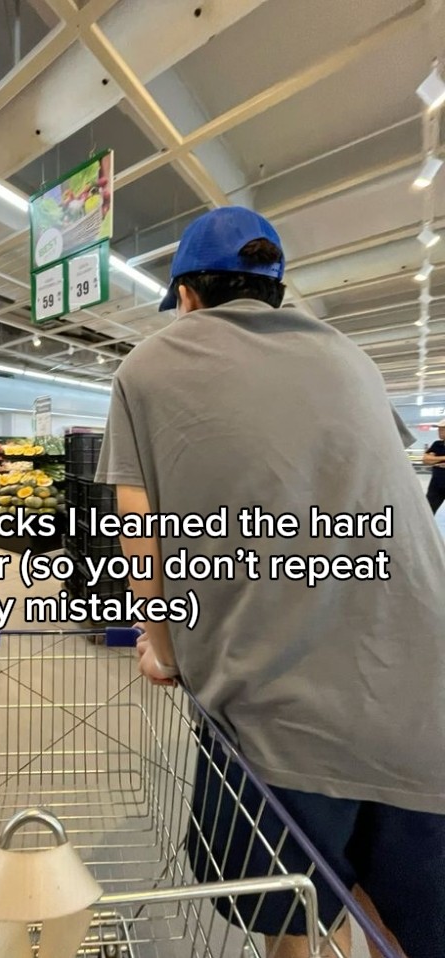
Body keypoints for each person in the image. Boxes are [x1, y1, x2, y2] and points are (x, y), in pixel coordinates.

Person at [95, 206, 445, 958]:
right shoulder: (351, 357)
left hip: (281, 711)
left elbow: (138, 522)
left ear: (186, 294)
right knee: (397, 922)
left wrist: (162, 647)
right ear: (276, 292)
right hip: (423, 693)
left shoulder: (148, 366)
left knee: (292, 918)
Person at [422, 419, 445, 513]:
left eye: (442, 429)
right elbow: (426, 459)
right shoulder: (437, 444)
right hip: (436, 485)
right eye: (439, 429)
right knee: (427, 511)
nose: (439, 431)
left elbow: (431, 459)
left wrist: (436, 459)